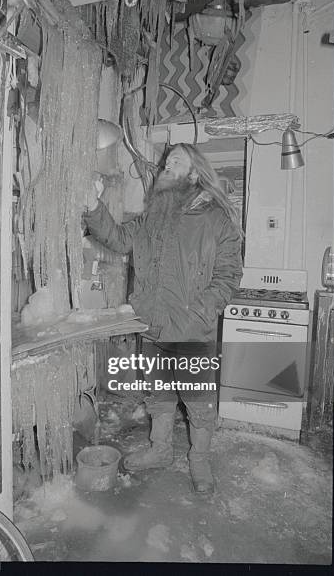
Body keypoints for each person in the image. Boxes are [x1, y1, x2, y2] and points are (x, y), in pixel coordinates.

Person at [83, 143, 243, 493]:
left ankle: (199, 459)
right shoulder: (154, 213)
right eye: (166, 162)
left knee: (198, 401)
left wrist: (198, 311)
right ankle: (160, 450)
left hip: (191, 331)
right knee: (159, 394)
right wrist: (93, 206)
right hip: (152, 326)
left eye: (176, 162)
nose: (166, 167)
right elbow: (120, 239)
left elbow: (229, 276)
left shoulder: (216, 219)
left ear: (194, 174)